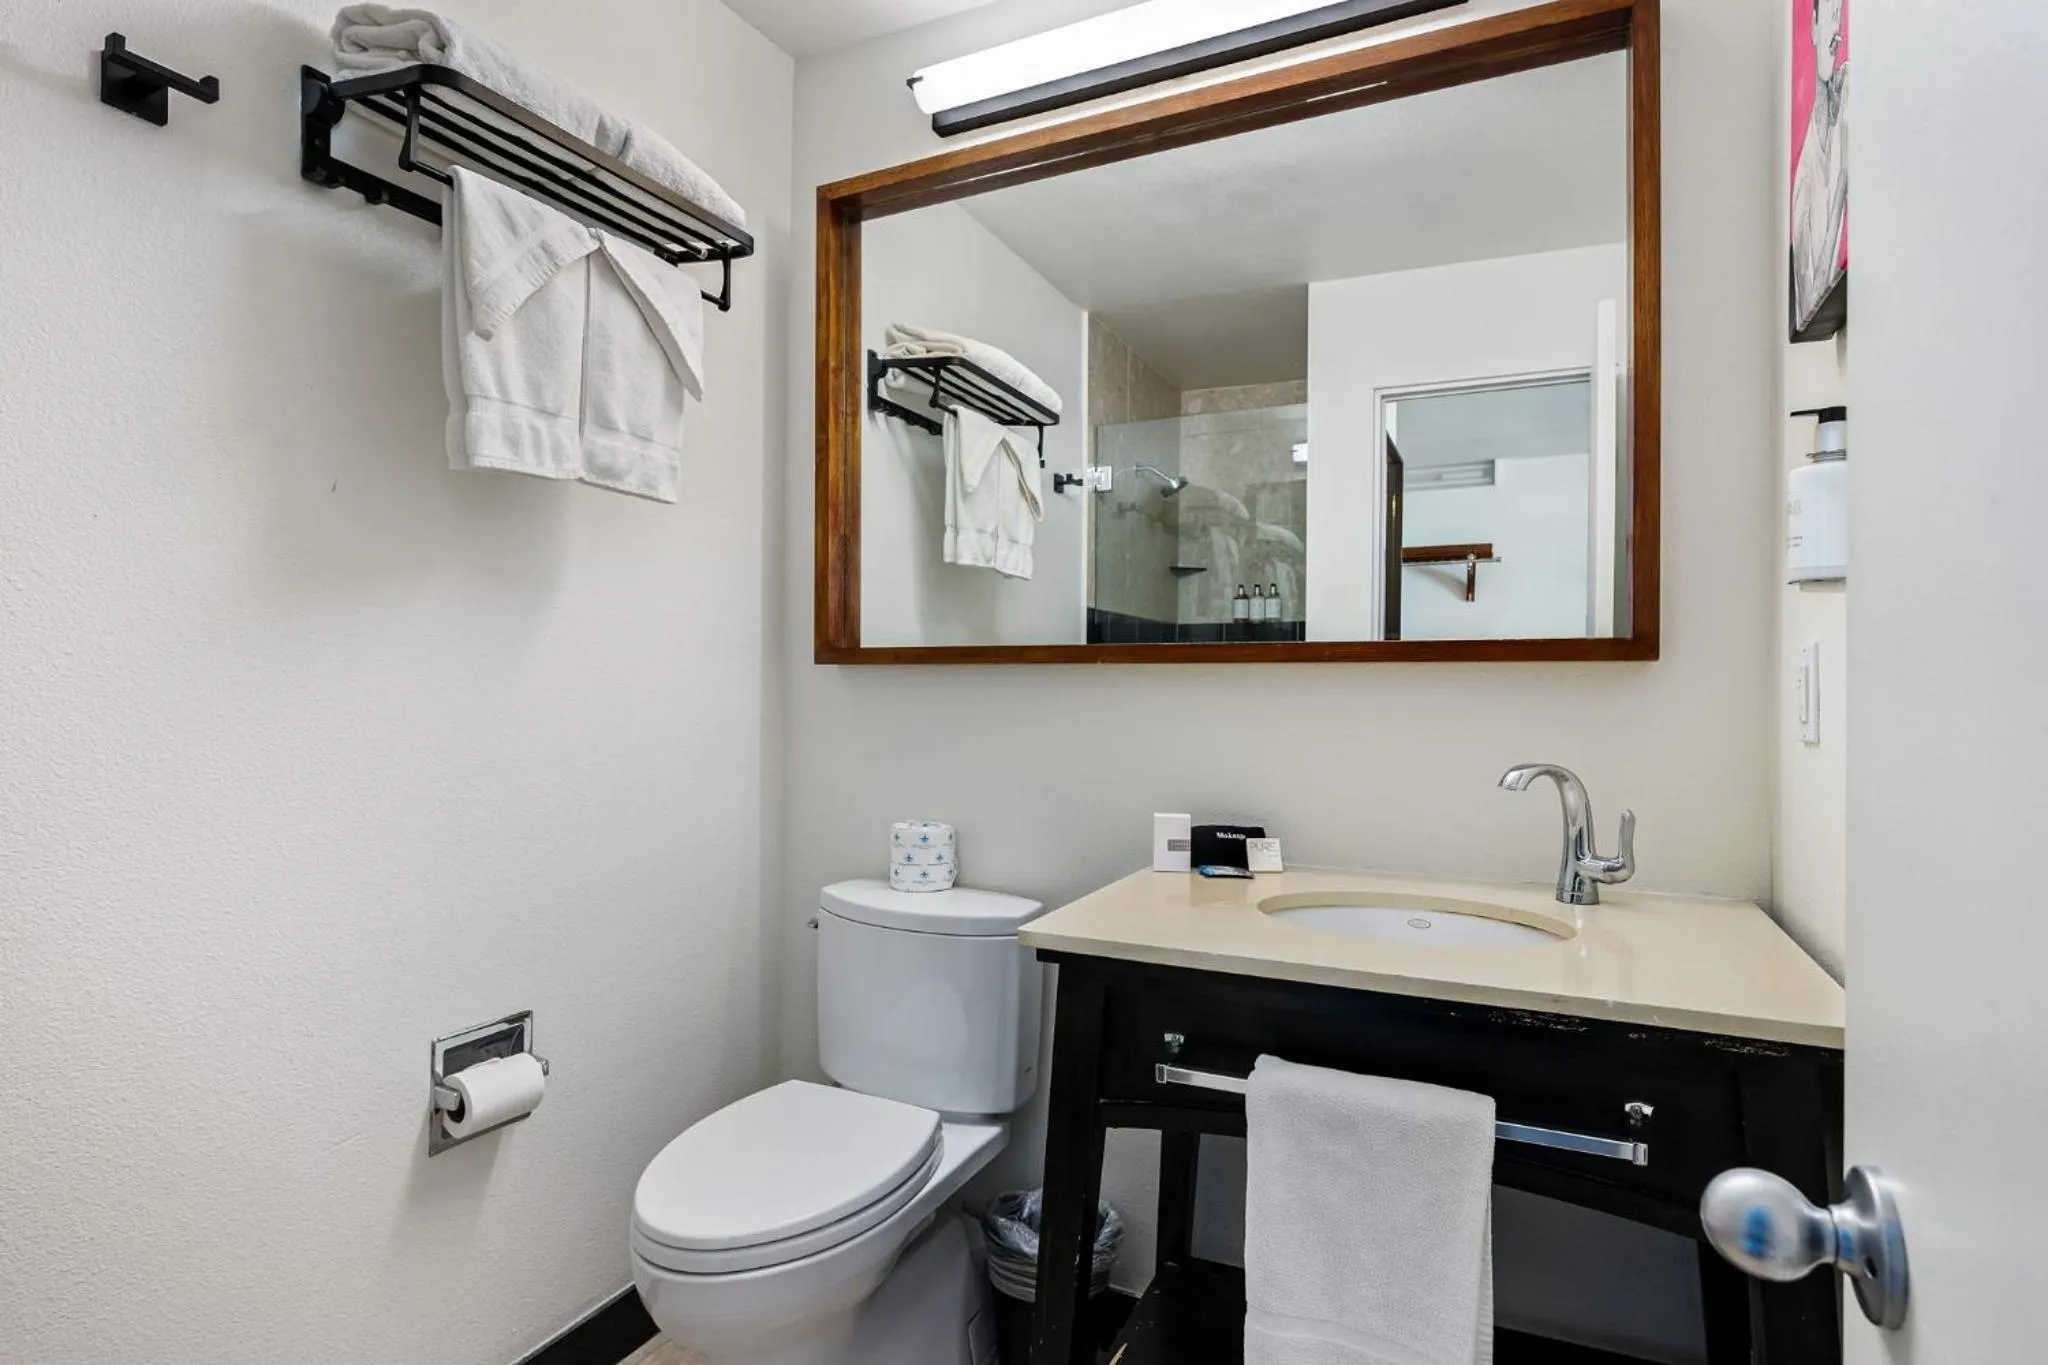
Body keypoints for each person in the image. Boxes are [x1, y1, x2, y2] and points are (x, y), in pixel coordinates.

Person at [1791, 0, 1848, 332]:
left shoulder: (1849, 88)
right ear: (1812, 25)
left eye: (1839, 12)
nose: (1835, 28)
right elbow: (1809, 296)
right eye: (1828, 12)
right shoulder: (1803, 184)